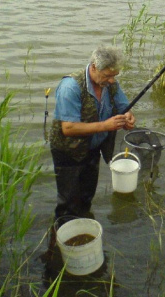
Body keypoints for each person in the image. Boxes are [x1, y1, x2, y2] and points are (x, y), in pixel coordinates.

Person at [48, 46, 135, 222]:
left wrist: (128, 117)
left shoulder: (110, 84)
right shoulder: (70, 87)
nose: (111, 81)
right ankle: (61, 237)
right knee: (68, 203)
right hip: (68, 152)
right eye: (107, 76)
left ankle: (84, 226)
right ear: (94, 67)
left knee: (87, 196)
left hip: (92, 149)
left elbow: (123, 106)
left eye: (115, 76)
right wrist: (105, 125)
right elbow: (69, 128)